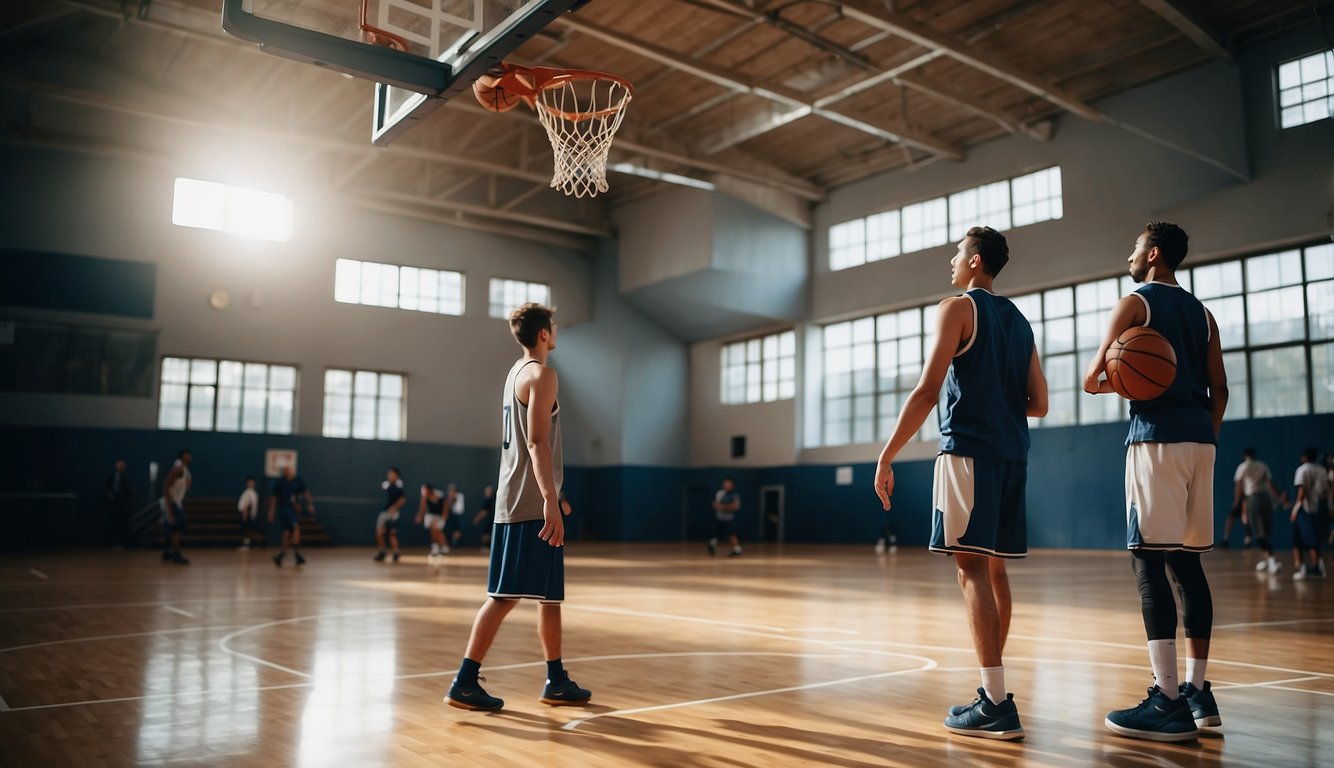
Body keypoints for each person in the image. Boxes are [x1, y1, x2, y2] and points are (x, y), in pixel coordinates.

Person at [874, 226, 1046, 741]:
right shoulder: (1019, 321)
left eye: (956, 253)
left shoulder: (956, 308)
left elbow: (928, 390)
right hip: (1013, 456)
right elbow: (1038, 404)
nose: (951, 260)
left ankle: (994, 702)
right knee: (994, 571)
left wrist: (887, 456)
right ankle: (992, 690)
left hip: (968, 453)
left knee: (969, 569)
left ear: (974, 263)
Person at [1083, 221, 1227, 742]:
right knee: (1187, 565)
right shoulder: (1204, 314)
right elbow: (1221, 388)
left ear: (1154, 253)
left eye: (1135, 247)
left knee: (1148, 562)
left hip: (1156, 440)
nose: (1130, 254)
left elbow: (1093, 376)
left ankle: (1165, 701)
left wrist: (1119, 377)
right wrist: (1203, 436)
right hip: (1201, 442)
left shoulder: (1135, 302)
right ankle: (1197, 694)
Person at [446, 302, 589, 712]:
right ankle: (464, 680)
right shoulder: (542, 375)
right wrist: (549, 501)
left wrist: (555, 495)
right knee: (503, 596)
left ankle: (557, 678)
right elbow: (536, 442)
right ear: (544, 333)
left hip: (525, 496)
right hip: (527, 502)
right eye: (554, 327)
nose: (557, 331)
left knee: (549, 597)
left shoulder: (516, 372)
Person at [1231, 448, 1285, 572]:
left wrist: (1236, 501)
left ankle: (1271, 560)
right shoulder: (1262, 465)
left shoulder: (1243, 467)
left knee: (1259, 532)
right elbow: (1270, 484)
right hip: (1266, 498)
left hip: (1253, 498)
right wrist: (1279, 498)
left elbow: (1238, 484)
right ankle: (1268, 560)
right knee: (1265, 530)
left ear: (1245, 455)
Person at [1291, 447, 1330, 580]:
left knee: (1298, 539)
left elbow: (1302, 491)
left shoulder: (1302, 470)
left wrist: (1296, 508)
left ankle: (1304, 568)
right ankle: (1317, 565)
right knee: (1313, 538)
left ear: (1305, 457)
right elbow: (1326, 490)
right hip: (1317, 508)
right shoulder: (1322, 470)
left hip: (1305, 509)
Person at [269, 465, 313, 567]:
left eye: (288, 470)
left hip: (293, 509)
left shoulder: (298, 480)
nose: (287, 472)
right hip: (284, 508)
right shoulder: (280, 482)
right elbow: (274, 497)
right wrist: (272, 511)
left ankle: (281, 555)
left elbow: (306, 492)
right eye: (285, 471)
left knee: (288, 532)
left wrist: (310, 504)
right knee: (295, 527)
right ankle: (297, 554)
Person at [160, 449, 193, 565]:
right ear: (183, 456)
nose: (190, 457)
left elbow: (187, 485)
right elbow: (166, 485)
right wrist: (169, 506)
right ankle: (176, 553)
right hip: (171, 502)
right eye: (188, 455)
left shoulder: (184, 469)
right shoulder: (178, 468)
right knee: (179, 527)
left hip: (175, 502)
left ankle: (167, 552)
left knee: (171, 528)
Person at [374, 467, 406, 563]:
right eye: (389, 474)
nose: (390, 475)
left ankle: (396, 552)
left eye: (392, 474)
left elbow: (402, 500)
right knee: (379, 532)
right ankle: (382, 552)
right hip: (384, 513)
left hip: (392, 514)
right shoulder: (387, 485)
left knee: (392, 534)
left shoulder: (398, 487)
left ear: (397, 475)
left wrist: (394, 508)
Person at [102, 458, 133, 548]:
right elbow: (105, 488)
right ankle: (108, 543)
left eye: (122, 466)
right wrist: (109, 495)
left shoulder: (125, 478)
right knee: (110, 523)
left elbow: (128, 492)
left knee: (123, 524)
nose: (121, 467)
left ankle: (124, 543)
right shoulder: (111, 476)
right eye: (119, 465)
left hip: (121, 504)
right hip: (111, 504)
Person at [708, 478, 742, 557]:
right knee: (716, 534)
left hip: (729, 519)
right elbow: (715, 505)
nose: (725, 485)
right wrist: (719, 506)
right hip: (719, 518)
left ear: (732, 485)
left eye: (728, 483)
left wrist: (723, 506)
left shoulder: (734, 495)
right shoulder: (720, 493)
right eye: (725, 483)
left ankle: (737, 550)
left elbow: (735, 506)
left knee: (732, 534)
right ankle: (711, 544)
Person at [417, 483, 449, 558]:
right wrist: (420, 516)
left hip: (440, 516)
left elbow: (445, 507)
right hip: (430, 515)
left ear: (429, 490)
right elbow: (423, 507)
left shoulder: (440, 495)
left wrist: (444, 517)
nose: (424, 492)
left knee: (438, 530)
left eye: (425, 490)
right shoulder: (424, 496)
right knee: (433, 530)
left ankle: (444, 547)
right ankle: (435, 547)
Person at [238, 475, 262, 550]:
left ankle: (254, 544)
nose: (252, 484)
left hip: (252, 515)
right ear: (247, 484)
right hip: (246, 514)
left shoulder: (254, 493)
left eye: (253, 483)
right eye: (250, 483)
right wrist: (245, 513)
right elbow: (243, 505)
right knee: (246, 530)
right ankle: (247, 544)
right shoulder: (247, 493)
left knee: (251, 530)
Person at [473, 485, 496, 551]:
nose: (487, 492)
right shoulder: (489, 500)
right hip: (490, 520)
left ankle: (486, 547)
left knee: (486, 535)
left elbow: (484, 512)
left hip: (490, 520)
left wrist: (477, 519)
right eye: (486, 491)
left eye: (489, 491)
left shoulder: (488, 500)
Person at [445, 483, 467, 552]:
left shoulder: (460, 496)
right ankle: (453, 543)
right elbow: (448, 507)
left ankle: (456, 544)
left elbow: (459, 508)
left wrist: (453, 498)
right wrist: (450, 499)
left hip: (459, 516)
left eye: (452, 490)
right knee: (452, 530)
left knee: (459, 530)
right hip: (452, 516)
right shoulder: (448, 497)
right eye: (450, 490)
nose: (451, 491)